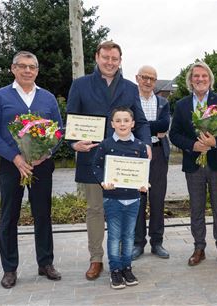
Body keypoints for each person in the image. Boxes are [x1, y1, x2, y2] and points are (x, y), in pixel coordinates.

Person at [66, 41, 151, 281]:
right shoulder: (80, 85)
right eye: (106, 57)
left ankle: (122, 260)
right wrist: (74, 143)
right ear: (97, 57)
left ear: (120, 60)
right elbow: (71, 120)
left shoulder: (130, 87)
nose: (110, 62)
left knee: (124, 210)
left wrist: (145, 144)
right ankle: (96, 258)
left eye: (115, 59)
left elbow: (141, 122)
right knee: (95, 210)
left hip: (124, 162)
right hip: (92, 158)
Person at [0, 51, 63, 288]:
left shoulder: (47, 98)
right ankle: (9, 269)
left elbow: (58, 131)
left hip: (42, 166)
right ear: (13, 69)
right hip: (11, 167)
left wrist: (45, 153)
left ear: (37, 71)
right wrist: (16, 157)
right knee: (9, 217)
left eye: (32, 67)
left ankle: (45, 263)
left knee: (43, 215)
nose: (28, 71)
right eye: (23, 66)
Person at [169, 61, 217, 266]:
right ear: (190, 80)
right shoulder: (181, 105)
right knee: (196, 208)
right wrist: (193, 146)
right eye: (196, 76)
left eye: (204, 76)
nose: (200, 79)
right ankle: (199, 248)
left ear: (210, 79)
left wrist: (215, 142)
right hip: (194, 163)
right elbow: (174, 134)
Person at [92, 107, 149, 289]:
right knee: (115, 236)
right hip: (113, 199)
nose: (122, 124)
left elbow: (142, 171)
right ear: (112, 124)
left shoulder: (140, 146)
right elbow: (97, 166)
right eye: (118, 120)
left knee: (129, 236)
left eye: (126, 120)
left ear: (133, 124)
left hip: (133, 199)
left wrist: (143, 183)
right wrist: (103, 181)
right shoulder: (105, 145)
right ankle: (115, 270)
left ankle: (127, 267)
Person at [132, 65, 170, 260]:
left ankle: (157, 242)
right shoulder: (130, 100)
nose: (148, 81)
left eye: (152, 79)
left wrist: (141, 126)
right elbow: (127, 125)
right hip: (135, 156)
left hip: (157, 155)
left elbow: (164, 124)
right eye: (144, 77)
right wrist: (151, 128)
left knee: (157, 200)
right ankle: (138, 243)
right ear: (137, 78)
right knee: (138, 201)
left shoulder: (163, 102)